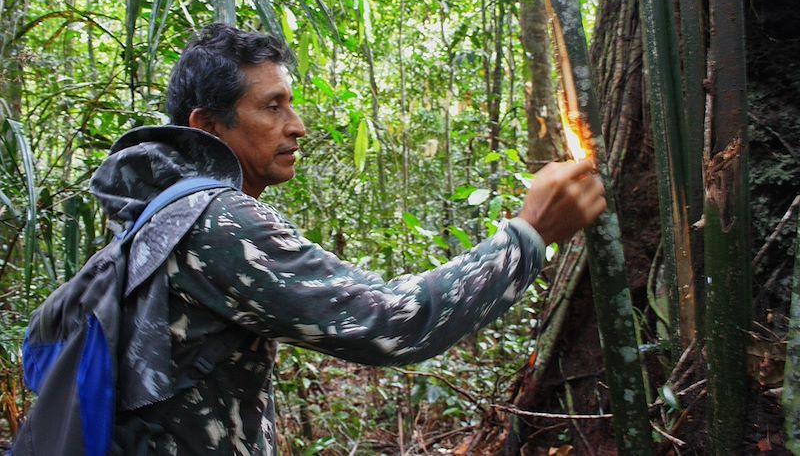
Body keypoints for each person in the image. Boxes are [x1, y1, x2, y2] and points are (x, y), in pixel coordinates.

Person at [91, 23, 606, 455]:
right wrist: (528, 235)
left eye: (290, 104)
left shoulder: (157, 210)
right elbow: (391, 323)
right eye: (272, 107)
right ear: (208, 125)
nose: (298, 126)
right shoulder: (212, 222)